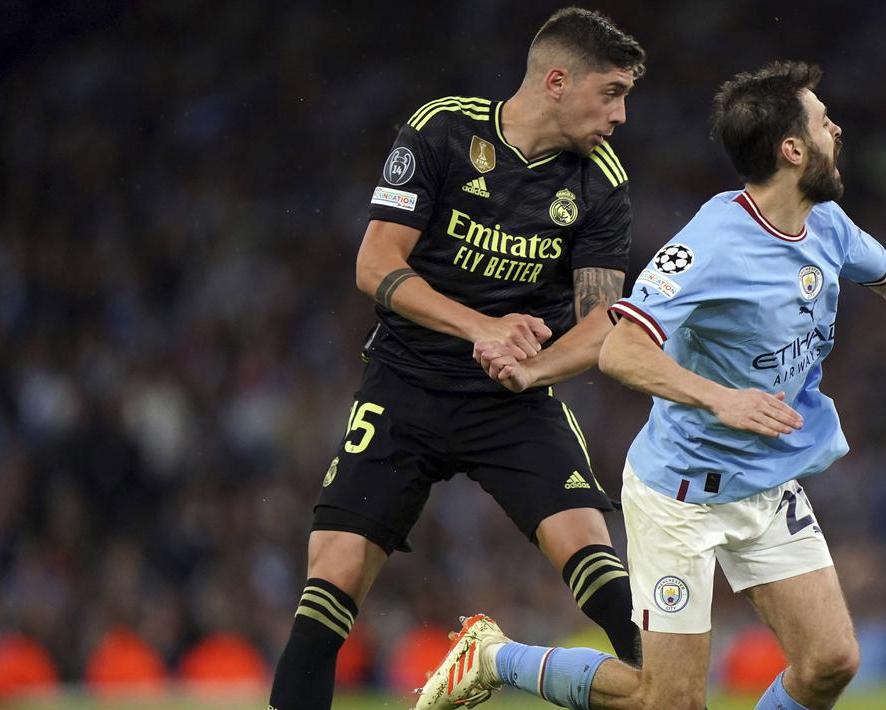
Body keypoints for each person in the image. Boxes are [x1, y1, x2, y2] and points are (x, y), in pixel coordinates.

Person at [415, 60, 886, 710]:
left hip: (762, 482)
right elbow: (621, 348)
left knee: (828, 663)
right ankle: (495, 657)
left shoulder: (825, 221)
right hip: (680, 495)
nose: (836, 130)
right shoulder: (711, 243)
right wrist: (721, 397)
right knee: (670, 701)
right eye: (823, 122)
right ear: (792, 150)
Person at [267, 8, 646, 710]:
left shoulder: (600, 181)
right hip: (405, 385)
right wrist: (483, 328)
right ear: (557, 81)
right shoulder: (444, 128)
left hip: (512, 400)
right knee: (330, 586)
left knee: (606, 576)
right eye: (612, 92)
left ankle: (661, 694)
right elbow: (375, 261)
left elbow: (601, 324)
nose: (621, 114)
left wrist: (531, 368)